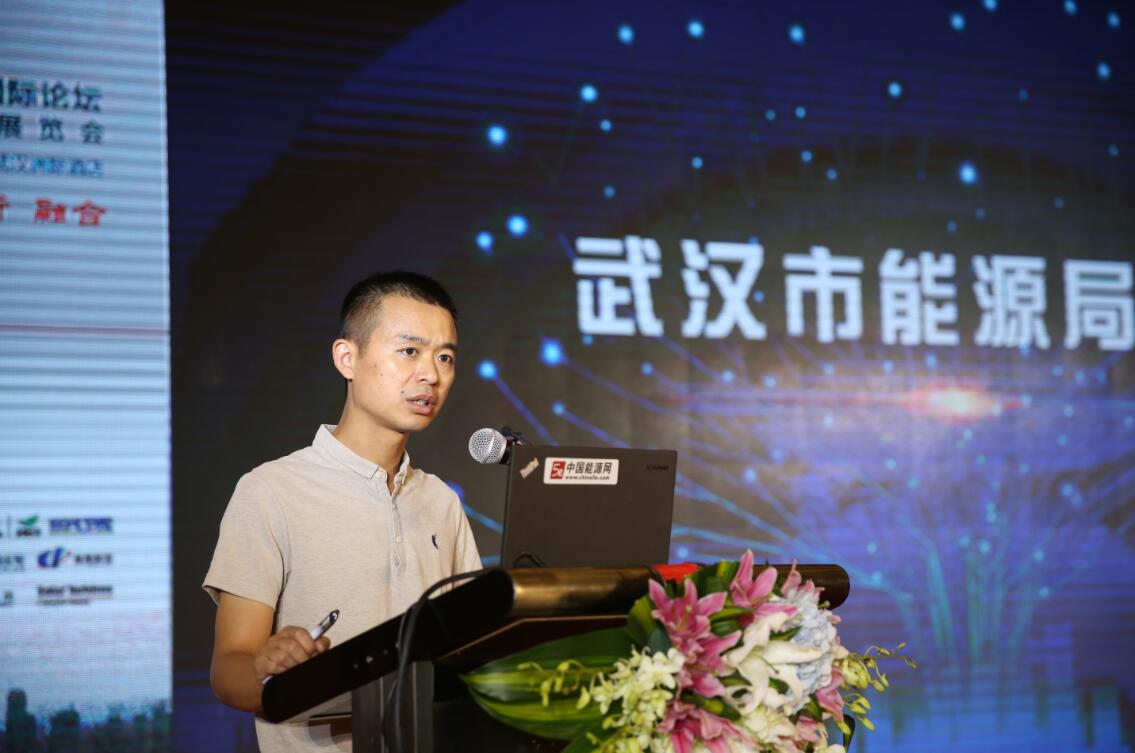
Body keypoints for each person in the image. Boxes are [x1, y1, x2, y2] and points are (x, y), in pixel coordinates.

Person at [203, 271, 482, 752]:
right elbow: (228, 671)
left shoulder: (441, 500)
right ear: (346, 358)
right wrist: (266, 671)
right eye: (409, 351)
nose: (431, 375)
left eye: (445, 357)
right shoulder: (270, 490)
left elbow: (471, 644)